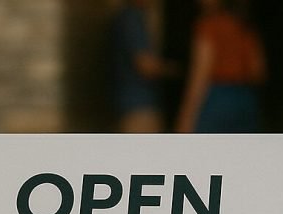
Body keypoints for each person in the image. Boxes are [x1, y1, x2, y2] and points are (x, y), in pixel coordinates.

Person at [176, 0, 265, 133]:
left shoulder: (208, 26)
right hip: (245, 98)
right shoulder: (245, 27)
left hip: (217, 98)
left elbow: (200, 74)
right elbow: (258, 71)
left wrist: (186, 118)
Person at [110, 0, 171, 133]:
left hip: (135, 103)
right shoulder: (131, 19)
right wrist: (174, 70)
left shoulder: (131, 17)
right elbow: (145, 65)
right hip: (139, 105)